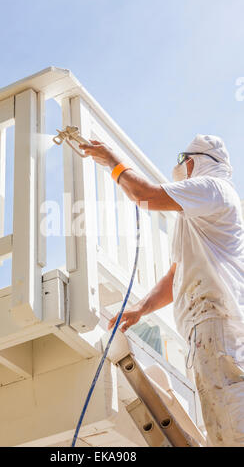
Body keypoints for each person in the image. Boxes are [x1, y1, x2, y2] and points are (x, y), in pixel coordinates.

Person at [79, 134, 244, 447]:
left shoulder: (213, 187)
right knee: (224, 425)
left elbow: (145, 195)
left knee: (233, 425)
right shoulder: (197, 215)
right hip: (207, 328)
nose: (180, 168)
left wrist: (112, 161)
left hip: (216, 323)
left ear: (195, 161)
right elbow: (176, 273)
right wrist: (141, 309)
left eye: (183, 161)